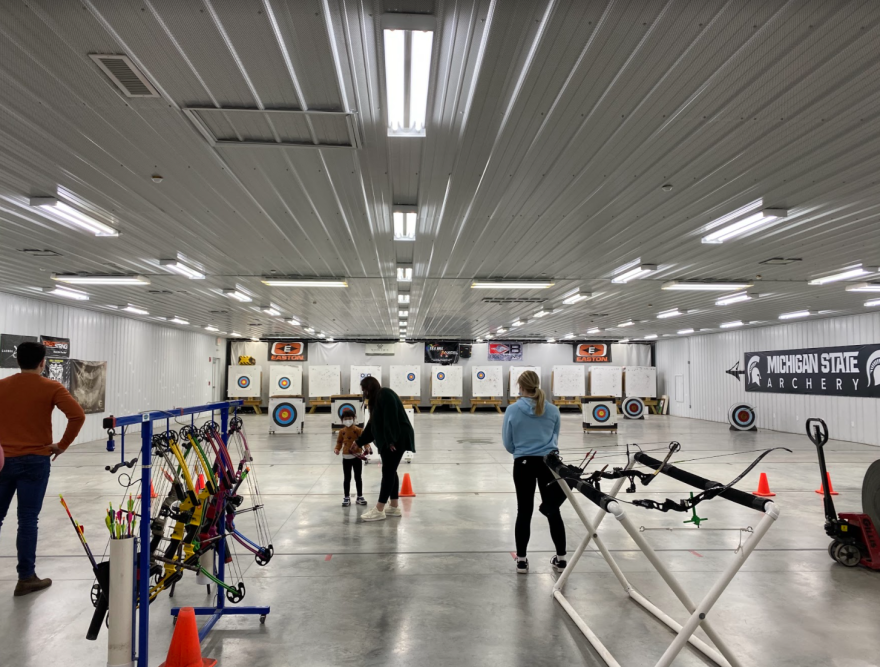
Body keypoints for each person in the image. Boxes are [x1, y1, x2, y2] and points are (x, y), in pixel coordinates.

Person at [0, 341, 85, 596]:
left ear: (18, 362)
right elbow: (77, 415)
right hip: (36, 460)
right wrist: (61, 445)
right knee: (27, 520)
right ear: (42, 362)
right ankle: (26, 578)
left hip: (3, 460)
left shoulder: (2, 386)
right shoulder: (51, 387)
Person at [502, 370, 566, 575]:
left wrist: (521, 451)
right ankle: (562, 559)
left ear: (520, 386)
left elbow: (508, 443)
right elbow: (554, 439)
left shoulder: (512, 410)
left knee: (524, 511)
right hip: (549, 464)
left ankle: (521, 561)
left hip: (523, 464)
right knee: (552, 510)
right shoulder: (553, 410)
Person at [355, 376, 415, 522]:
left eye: (364, 390)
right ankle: (393, 507)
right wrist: (358, 442)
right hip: (392, 439)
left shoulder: (385, 394)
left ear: (369, 387)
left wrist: (390, 440)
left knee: (388, 471)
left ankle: (379, 509)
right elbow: (372, 426)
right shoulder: (376, 401)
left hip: (396, 438)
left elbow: (391, 418)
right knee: (391, 469)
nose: (364, 393)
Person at [334, 407, 370, 507]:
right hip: (346, 458)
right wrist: (337, 449)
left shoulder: (358, 430)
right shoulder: (341, 431)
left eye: (349, 418)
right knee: (347, 478)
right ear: (342, 420)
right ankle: (346, 497)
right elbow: (339, 442)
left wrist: (367, 447)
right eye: (345, 419)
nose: (347, 420)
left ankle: (360, 496)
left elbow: (364, 441)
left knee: (358, 477)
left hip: (357, 457)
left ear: (354, 418)